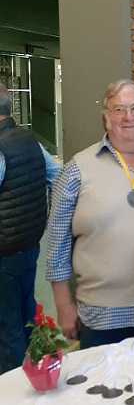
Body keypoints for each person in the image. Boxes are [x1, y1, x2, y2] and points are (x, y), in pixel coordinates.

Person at [46, 79, 134, 348]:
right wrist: (64, 305)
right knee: (102, 387)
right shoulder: (77, 170)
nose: (129, 117)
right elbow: (57, 243)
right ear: (107, 118)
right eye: (119, 109)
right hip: (100, 314)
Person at [0, 93, 61, 373]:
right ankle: (33, 375)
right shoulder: (29, 140)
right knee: (27, 316)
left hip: (4, 253)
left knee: (7, 327)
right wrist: (44, 217)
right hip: (29, 244)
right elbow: (56, 174)